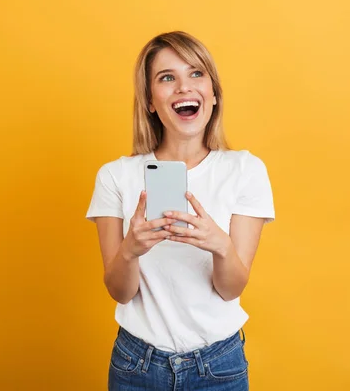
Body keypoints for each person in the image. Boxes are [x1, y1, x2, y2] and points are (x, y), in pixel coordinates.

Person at [85, 31, 275, 391]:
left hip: (219, 365)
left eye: (196, 74)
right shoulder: (116, 176)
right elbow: (120, 292)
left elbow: (230, 287)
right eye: (167, 77)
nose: (183, 87)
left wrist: (219, 245)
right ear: (150, 102)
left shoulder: (245, 170)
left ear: (214, 95)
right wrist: (131, 249)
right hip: (135, 364)